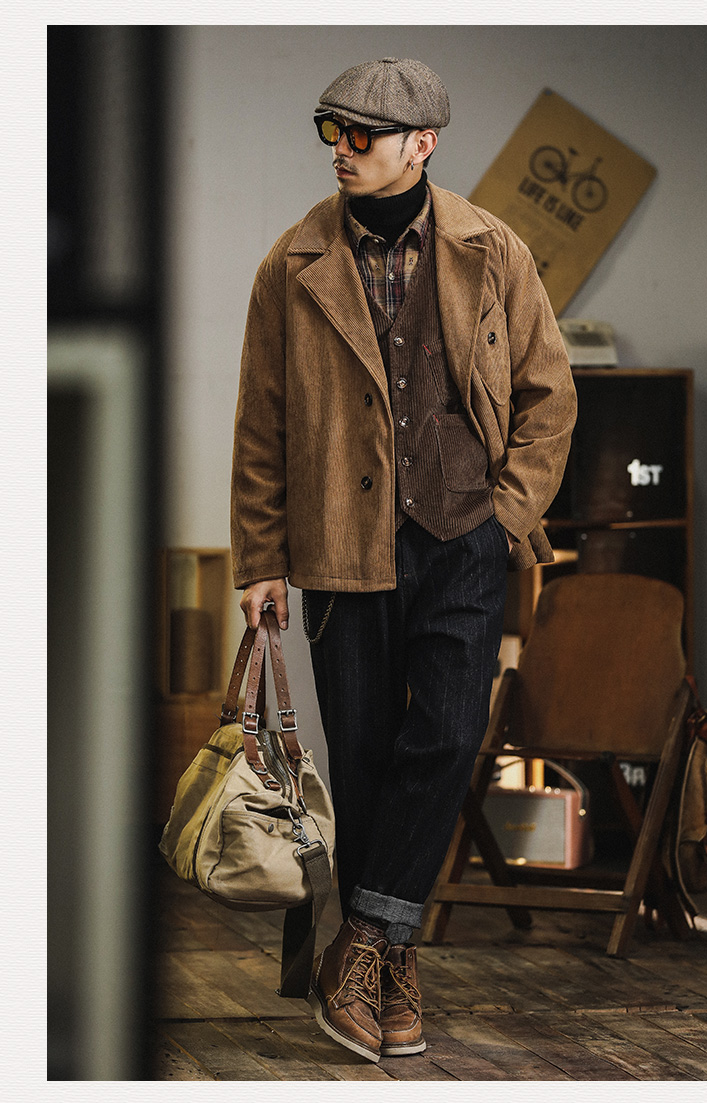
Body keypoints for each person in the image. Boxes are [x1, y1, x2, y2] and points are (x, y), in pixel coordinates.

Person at [231, 57, 576, 1063]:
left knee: (451, 734)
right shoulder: (291, 264)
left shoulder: (493, 250)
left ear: (422, 144)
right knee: (366, 753)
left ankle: (364, 940)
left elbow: (548, 395)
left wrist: (504, 516)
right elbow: (261, 423)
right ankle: (389, 964)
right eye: (329, 131)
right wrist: (260, 557)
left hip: (463, 538)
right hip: (341, 547)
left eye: (361, 135)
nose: (340, 151)